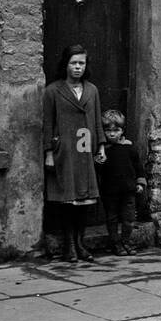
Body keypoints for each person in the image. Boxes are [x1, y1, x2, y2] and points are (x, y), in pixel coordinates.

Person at [42, 45, 106, 262]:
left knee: (85, 199)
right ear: (66, 65)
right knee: (67, 200)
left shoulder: (92, 90)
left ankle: (81, 242)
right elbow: (47, 124)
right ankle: (69, 245)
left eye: (81, 63)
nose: (77, 67)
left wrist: (101, 147)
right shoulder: (53, 91)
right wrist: (49, 152)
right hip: (65, 150)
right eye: (73, 63)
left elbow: (97, 121)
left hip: (85, 148)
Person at [98, 109, 145, 255]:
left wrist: (140, 183)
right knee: (112, 219)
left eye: (116, 130)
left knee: (129, 219)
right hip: (110, 192)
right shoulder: (103, 150)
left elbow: (138, 167)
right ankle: (116, 243)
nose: (112, 134)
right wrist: (98, 160)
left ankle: (126, 241)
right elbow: (98, 170)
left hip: (128, 191)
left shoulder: (129, 147)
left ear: (122, 130)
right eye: (108, 130)